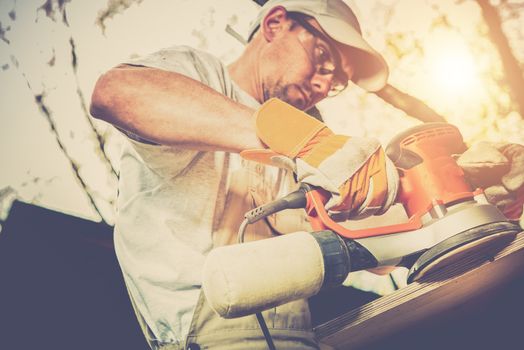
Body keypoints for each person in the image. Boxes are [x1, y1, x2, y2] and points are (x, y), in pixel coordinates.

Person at [89, 0, 524, 349]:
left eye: (336, 82)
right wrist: (302, 140)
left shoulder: (306, 146)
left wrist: (465, 189)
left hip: (292, 329)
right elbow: (119, 92)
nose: (324, 83)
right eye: (322, 58)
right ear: (276, 23)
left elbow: (348, 226)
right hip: (207, 325)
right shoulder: (202, 76)